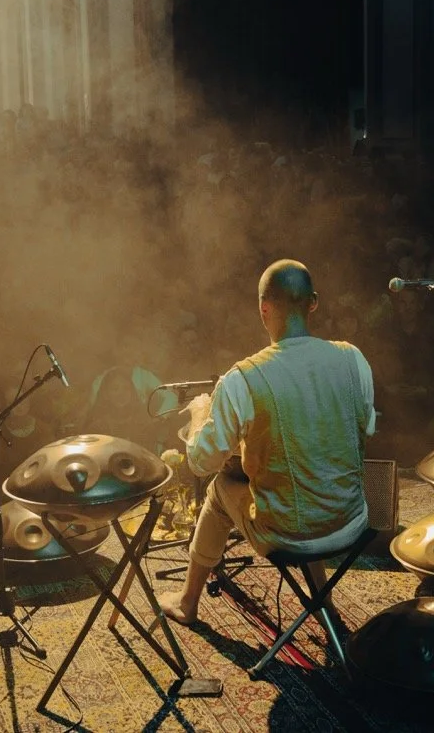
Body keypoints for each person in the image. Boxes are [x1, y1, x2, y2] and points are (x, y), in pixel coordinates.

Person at [157, 259, 376, 626]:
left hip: (289, 534)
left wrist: (200, 413)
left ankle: (187, 603)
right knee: (307, 481)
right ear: (313, 303)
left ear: (263, 310)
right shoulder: (352, 358)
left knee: (220, 488)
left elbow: (200, 461)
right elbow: (362, 427)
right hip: (352, 521)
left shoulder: (242, 378)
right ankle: (324, 604)